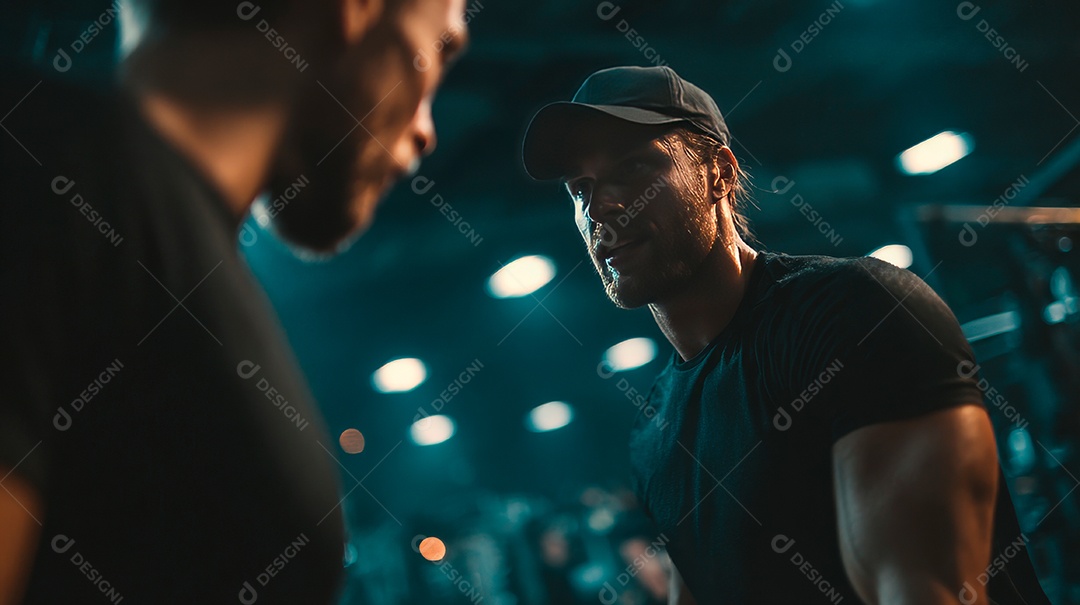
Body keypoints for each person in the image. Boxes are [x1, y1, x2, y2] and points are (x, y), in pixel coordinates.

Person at [522, 65, 1051, 604]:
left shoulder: (854, 313)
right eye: (580, 188)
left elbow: (925, 592)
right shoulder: (655, 432)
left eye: (632, 166)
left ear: (718, 173)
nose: (600, 207)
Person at [0, 0, 467, 602]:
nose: (427, 130)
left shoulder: (113, 210)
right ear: (359, 10)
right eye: (442, 49)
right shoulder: (42, 173)